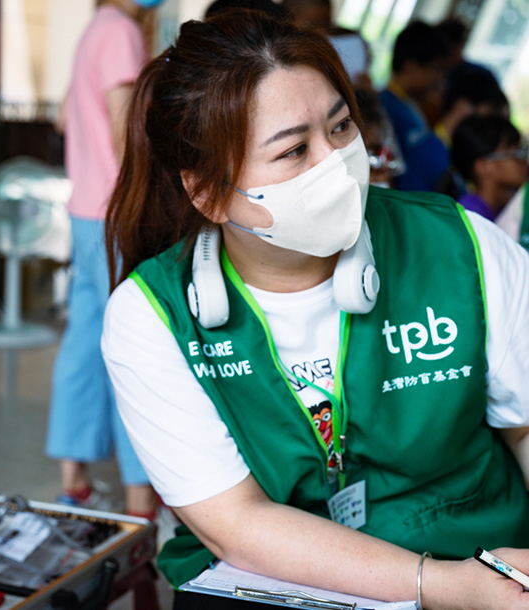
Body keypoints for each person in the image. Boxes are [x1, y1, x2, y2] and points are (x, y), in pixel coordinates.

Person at [102, 11, 529, 609]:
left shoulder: (462, 247)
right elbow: (235, 521)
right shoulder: (152, 316)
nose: (337, 163)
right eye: (294, 150)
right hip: (280, 580)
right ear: (208, 193)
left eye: (341, 126)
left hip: (481, 557)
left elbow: (524, 427)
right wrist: (438, 586)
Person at [46, 0, 160, 518]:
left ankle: (74, 482)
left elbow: (63, 118)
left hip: (86, 214)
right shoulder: (121, 33)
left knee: (85, 344)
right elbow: (122, 126)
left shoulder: (96, 29)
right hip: (117, 214)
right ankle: (141, 500)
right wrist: (148, 201)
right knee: (135, 349)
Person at [379, 21, 452, 192]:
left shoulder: (411, 106)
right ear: (410, 67)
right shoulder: (385, 107)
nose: (439, 79)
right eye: (436, 69)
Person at [451, 114, 528, 222]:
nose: (524, 160)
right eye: (515, 154)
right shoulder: (470, 217)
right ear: (483, 168)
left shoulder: (501, 207)